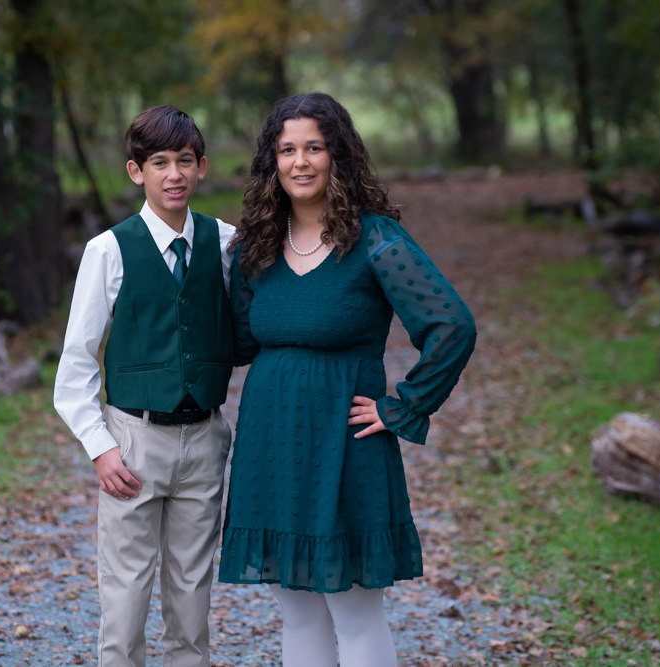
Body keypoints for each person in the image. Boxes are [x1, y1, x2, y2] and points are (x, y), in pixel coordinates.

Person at [218, 92, 477, 667]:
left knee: (355, 613)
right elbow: (238, 344)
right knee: (298, 612)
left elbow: (452, 325)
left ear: (338, 155)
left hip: (346, 441)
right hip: (271, 443)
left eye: (314, 147)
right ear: (272, 162)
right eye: (287, 150)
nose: (300, 162)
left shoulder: (375, 240)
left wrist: (403, 405)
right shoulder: (257, 247)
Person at [54, 106, 237, 667]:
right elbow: (76, 363)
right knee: (126, 592)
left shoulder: (226, 243)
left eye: (184, 160)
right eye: (159, 162)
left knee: (192, 591)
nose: (173, 174)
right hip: (133, 439)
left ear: (202, 166)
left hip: (204, 436)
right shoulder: (108, 250)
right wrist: (100, 448)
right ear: (137, 172)